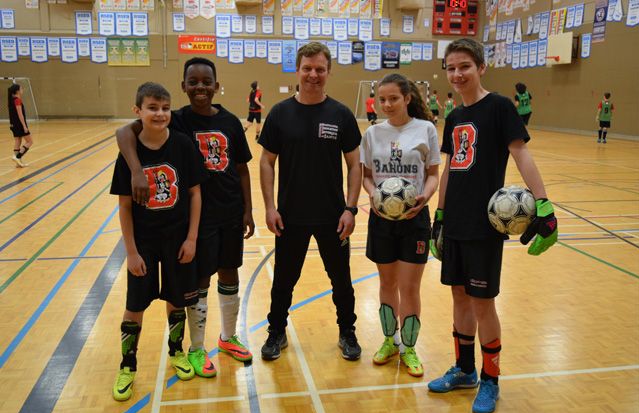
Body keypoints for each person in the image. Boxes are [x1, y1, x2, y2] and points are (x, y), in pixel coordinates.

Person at [428, 38, 558, 413]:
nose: (457, 74)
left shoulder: (499, 107)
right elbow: (451, 168)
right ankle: (465, 369)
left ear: (481, 67)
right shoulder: (452, 116)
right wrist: (439, 216)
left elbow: (521, 153)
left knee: (483, 303)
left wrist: (544, 202)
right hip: (454, 222)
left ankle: (491, 379)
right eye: (451, 67)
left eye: (464, 66)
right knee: (458, 296)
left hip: (486, 224)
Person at [116, 57, 255, 379]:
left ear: (216, 85)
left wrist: (248, 209)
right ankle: (196, 347)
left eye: (207, 81)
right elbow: (124, 132)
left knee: (230, 272)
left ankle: (228, 337)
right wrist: (136, 170)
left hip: (231, 212)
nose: (200, 87)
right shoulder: (175, 119)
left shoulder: (232, 122)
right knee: (199, 280)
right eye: (193, 82)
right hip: (199, 218)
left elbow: (242, 168)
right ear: (184, 87)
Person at [258, 42, 363, 361]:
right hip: (290, 216)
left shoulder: (341, 114)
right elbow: (266, 161)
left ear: (328, 72)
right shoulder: (280, 113)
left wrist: (350, 208)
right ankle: (276, 331)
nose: (313, 74)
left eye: (319, 69)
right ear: (298, 70)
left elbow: (355, 164)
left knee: (342, 281)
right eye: (307, 68)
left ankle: (348, 331)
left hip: (333, 216)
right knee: (284, 281)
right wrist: (269, 207)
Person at [110, 82, 209, 401]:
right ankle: (128, 365)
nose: (160, 113)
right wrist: (131, 251)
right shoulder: (128, 152)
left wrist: (192, 238)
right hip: (144, 243)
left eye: (165, 108)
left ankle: (176, 351)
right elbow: (124, 205)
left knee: (177, 298)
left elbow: (195, 193)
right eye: (152, 108)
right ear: (137, 111)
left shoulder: (182, 145)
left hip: (178, 238)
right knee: (134, 305)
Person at [360, 73, 440, 377]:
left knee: (409, 287)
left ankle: (408, 348)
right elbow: (366, 175)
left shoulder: (425, 129)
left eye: (393, 98)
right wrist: (375, 197)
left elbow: (433, 173)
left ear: (407, 98)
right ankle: (389, 341)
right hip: (382, 220)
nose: (387, 104)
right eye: (382, 99)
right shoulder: (372, 134)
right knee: (387, 284)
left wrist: (425, 195)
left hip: (415, 219)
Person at [8, 83, 35, 168]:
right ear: (17, 91)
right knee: (30, 142)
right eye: (21, 89)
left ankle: (18, 163)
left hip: (13, 124)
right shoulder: (17, 100)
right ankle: (17, 157)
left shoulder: (11, 100)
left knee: (18, 141)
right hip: (19, 124)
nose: (22, 90)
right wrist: (24, 126)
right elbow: (20, 115)